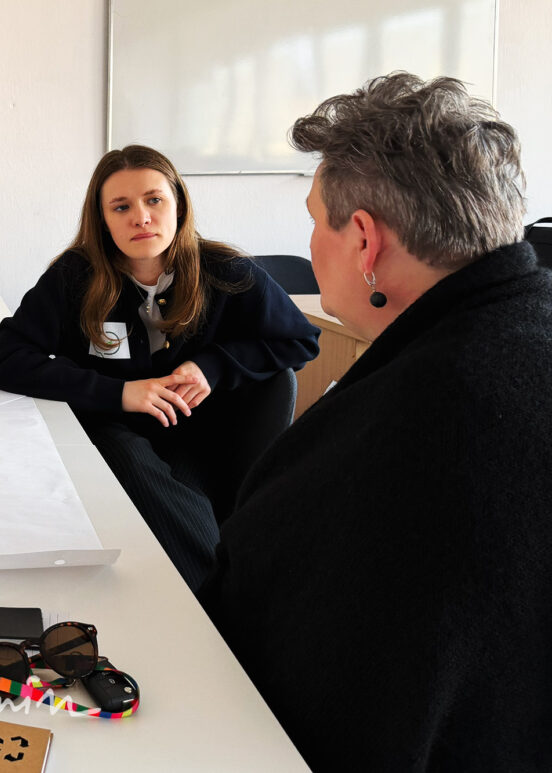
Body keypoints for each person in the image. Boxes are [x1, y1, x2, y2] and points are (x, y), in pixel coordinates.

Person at [199, 72, 552, 769]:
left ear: (364, 241)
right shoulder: (523, 341)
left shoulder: (413, 429)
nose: (309, 244)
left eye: (313, 220)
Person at [0, 145, 320, 590]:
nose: (140, 218)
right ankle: (226, 593)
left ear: (178, 204)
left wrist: (212, 367)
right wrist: (119, 393)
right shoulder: (74, 276)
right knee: (130, 461)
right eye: (121, 207)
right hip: (111, 427)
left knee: (186, 502)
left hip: (198, 431)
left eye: (154, 200)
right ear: (102, 219)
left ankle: (219, 591)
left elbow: (299, 340)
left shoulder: (226, 271)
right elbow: (6, 360)